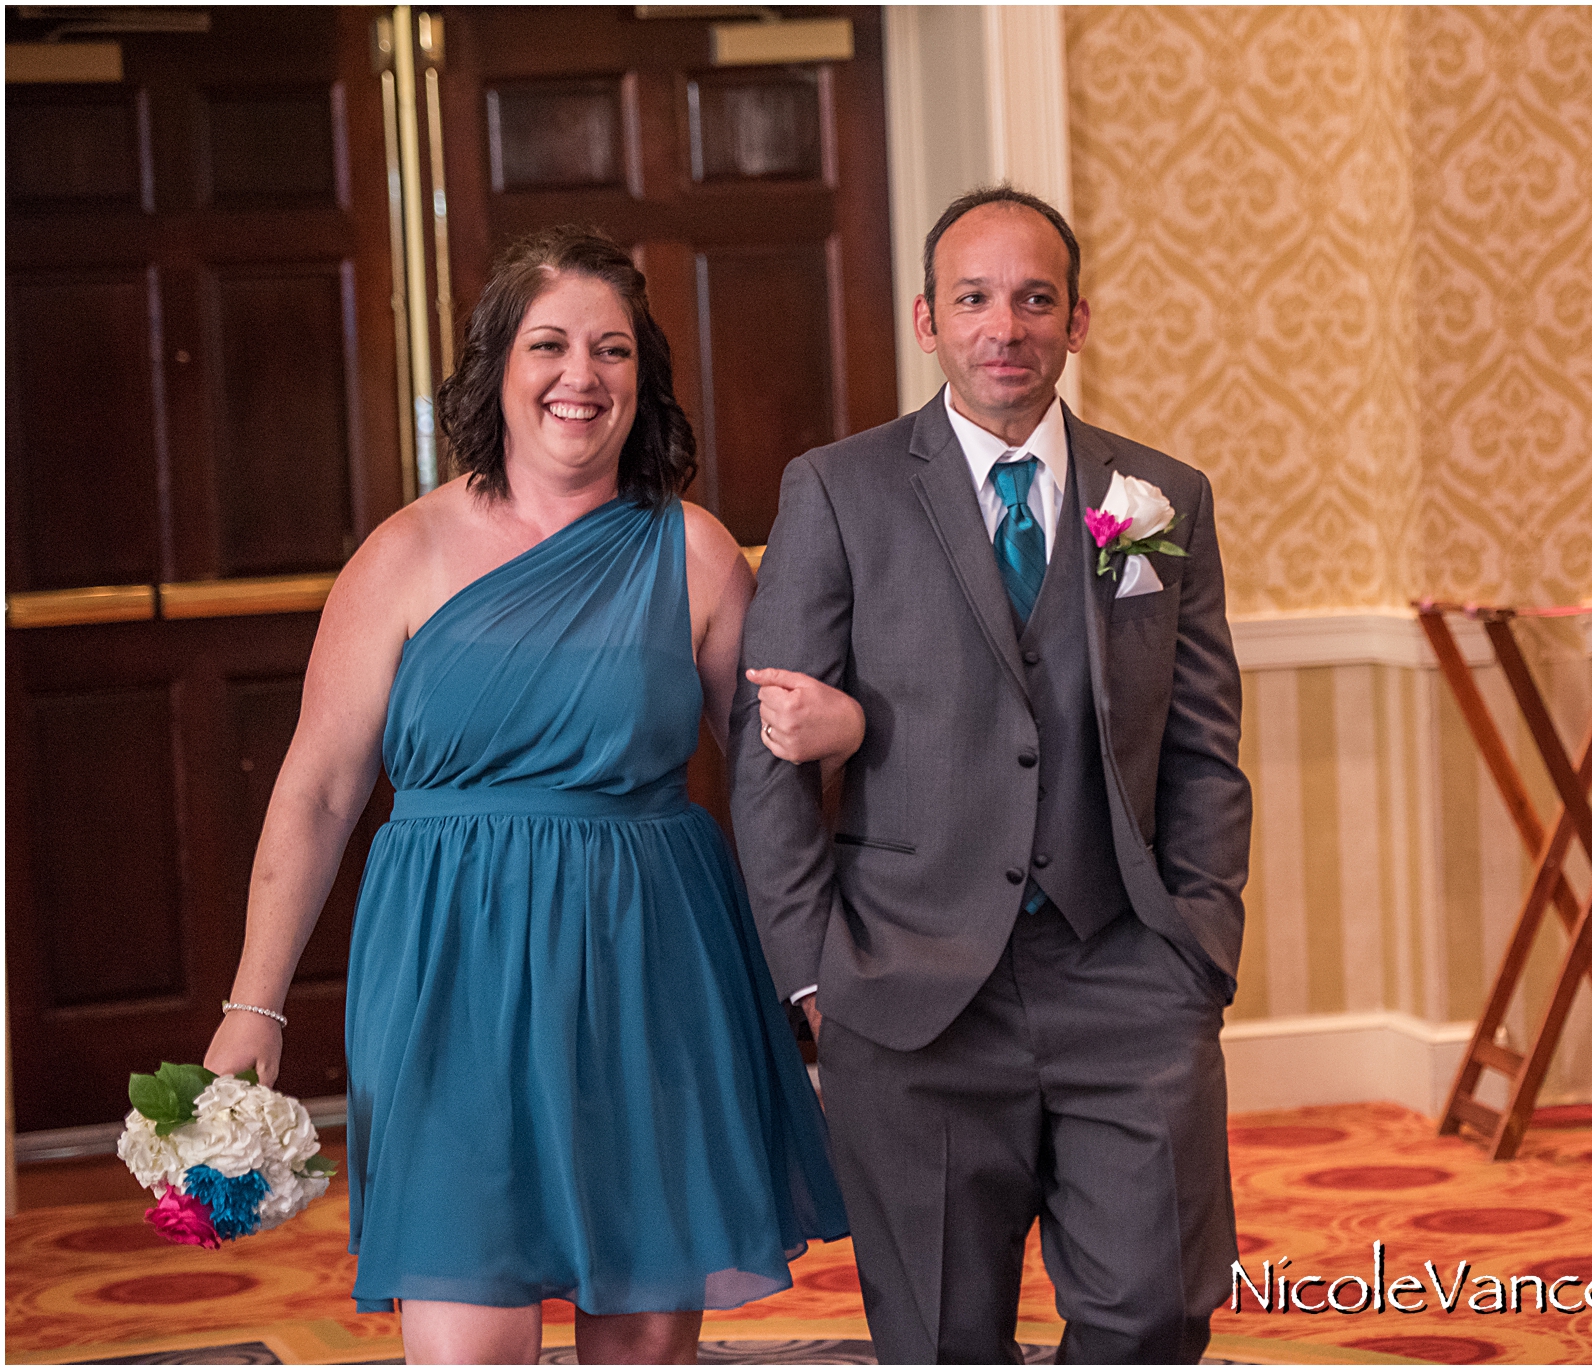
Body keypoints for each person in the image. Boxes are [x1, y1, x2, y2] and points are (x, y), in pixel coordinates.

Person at [203, 225, 853, 1365]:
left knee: (644, 1337)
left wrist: (827, 959)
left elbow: (775, 784)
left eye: (611, 350)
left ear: (640, 376)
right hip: (449, 978)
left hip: (654, 970)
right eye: (549, 345)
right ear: (496, 368)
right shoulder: (401, 554)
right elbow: (313, 792)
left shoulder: (696, 552)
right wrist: (254, 1005)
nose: (580, 376)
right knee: (467, 1336)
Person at [729, 185, 1255, 1363]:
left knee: (1150, 1313)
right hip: (907, 989)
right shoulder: (838, 489)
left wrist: (1197, 943)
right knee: (940, 1335)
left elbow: (1202, 746)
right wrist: (814, 974)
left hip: (1124, 973)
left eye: (1033, 299)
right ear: (926, 319)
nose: (1002, 327)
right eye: (973, 299)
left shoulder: (1158, 498)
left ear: (1078, 321)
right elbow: (765, 752)